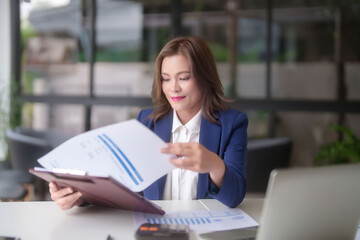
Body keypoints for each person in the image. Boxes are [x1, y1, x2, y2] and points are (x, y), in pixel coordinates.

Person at [49, 36, 248, 210]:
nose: (173, 88)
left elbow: (235, 197)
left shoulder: (232, 124)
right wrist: (78, 196)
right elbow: (123, 184)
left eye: (184, 78)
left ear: (205, 78)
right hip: (157, 231)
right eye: (166, 79)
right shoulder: (147, 122)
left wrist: (215, 165)